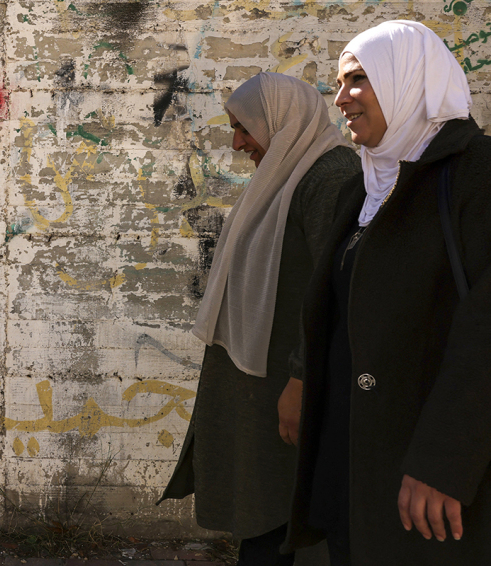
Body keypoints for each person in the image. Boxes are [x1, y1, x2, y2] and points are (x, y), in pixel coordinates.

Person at [283, 20, 491, 565]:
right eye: (339, 83)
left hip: (431, 477)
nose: (342, 98)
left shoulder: (476, 176)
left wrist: (444, 460)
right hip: (358, 461)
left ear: (407, 78)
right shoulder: (364, 186)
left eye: (357, 80)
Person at [159, 72, 360, 566]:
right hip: (264, 386)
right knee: (269, 517)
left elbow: (335, 290)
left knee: (281, 519)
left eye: (245, 128)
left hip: (287, 389)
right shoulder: (287, 173)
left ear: (280, 121)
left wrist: (301, 379)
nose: (237, 142)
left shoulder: (329, 177)